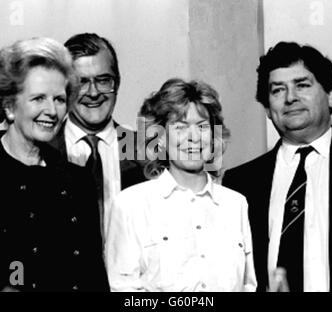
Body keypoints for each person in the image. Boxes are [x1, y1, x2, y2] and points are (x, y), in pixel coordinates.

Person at [223, 41, 332, 292]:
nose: (290, 98)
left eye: (302, 85)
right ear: (268, 109)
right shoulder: (241, 183)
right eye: (278, 90)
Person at [0, 37, 109, 292]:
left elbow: (93, 278)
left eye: (59, 99)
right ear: (9, 106)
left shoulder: (77, 180)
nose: (52, 111)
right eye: (38, 98)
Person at [105, 78, 257, 292]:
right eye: (180, 127)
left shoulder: (236, 204)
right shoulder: (131, 205)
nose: (193, 138)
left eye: (202, 127)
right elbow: (123, 290)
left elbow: (248, 287)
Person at [49, 33, 146, 243]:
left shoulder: (146, 149)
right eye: (81, 83)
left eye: (103, 80)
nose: (93, 93)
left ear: (117, 83)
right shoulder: (41, 152)